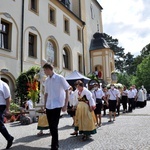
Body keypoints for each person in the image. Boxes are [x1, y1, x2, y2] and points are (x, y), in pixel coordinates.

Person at [43, 63, 69, 150]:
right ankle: (55, 144)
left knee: (54, 126)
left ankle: (54, 146)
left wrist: (65, 104)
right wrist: (44, 105)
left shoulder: (60, 78)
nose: (44, 72)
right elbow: (46, 94)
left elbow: (67, 90)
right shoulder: (47, 80)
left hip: (57, 105)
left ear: (49, 69)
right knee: (51, 127)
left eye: (45, 70)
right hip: (49, 106)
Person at [0, 79, 14, 149]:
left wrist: (7, 109)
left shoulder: (3, 85)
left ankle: (9, 138)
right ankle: (9, 138)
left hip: (1, 105)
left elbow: (8, 97)